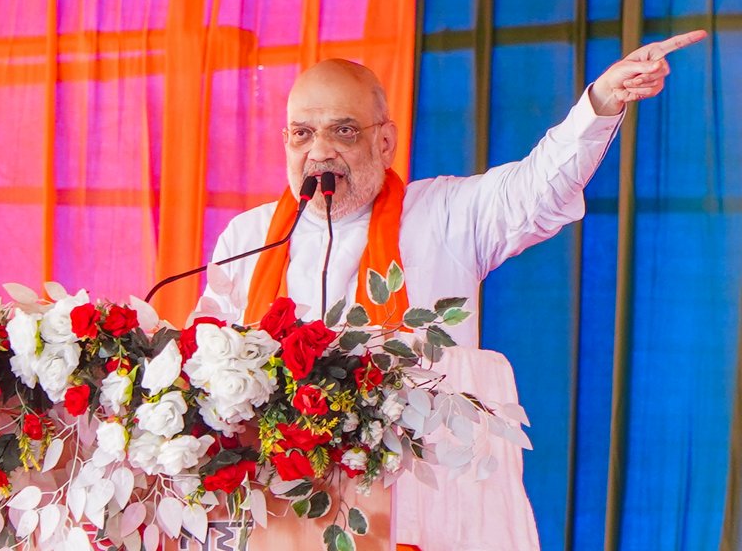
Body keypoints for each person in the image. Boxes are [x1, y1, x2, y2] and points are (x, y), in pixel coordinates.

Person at [203, 30, 707, 550]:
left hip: (421, 514)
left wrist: (599, 103)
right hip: (277, 520)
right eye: (302, 133)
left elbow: (538, 188)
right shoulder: (248, 238)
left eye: (344, 131)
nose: (320, 151)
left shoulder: (444, 215)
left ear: (385, 142)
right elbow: (205, 363)